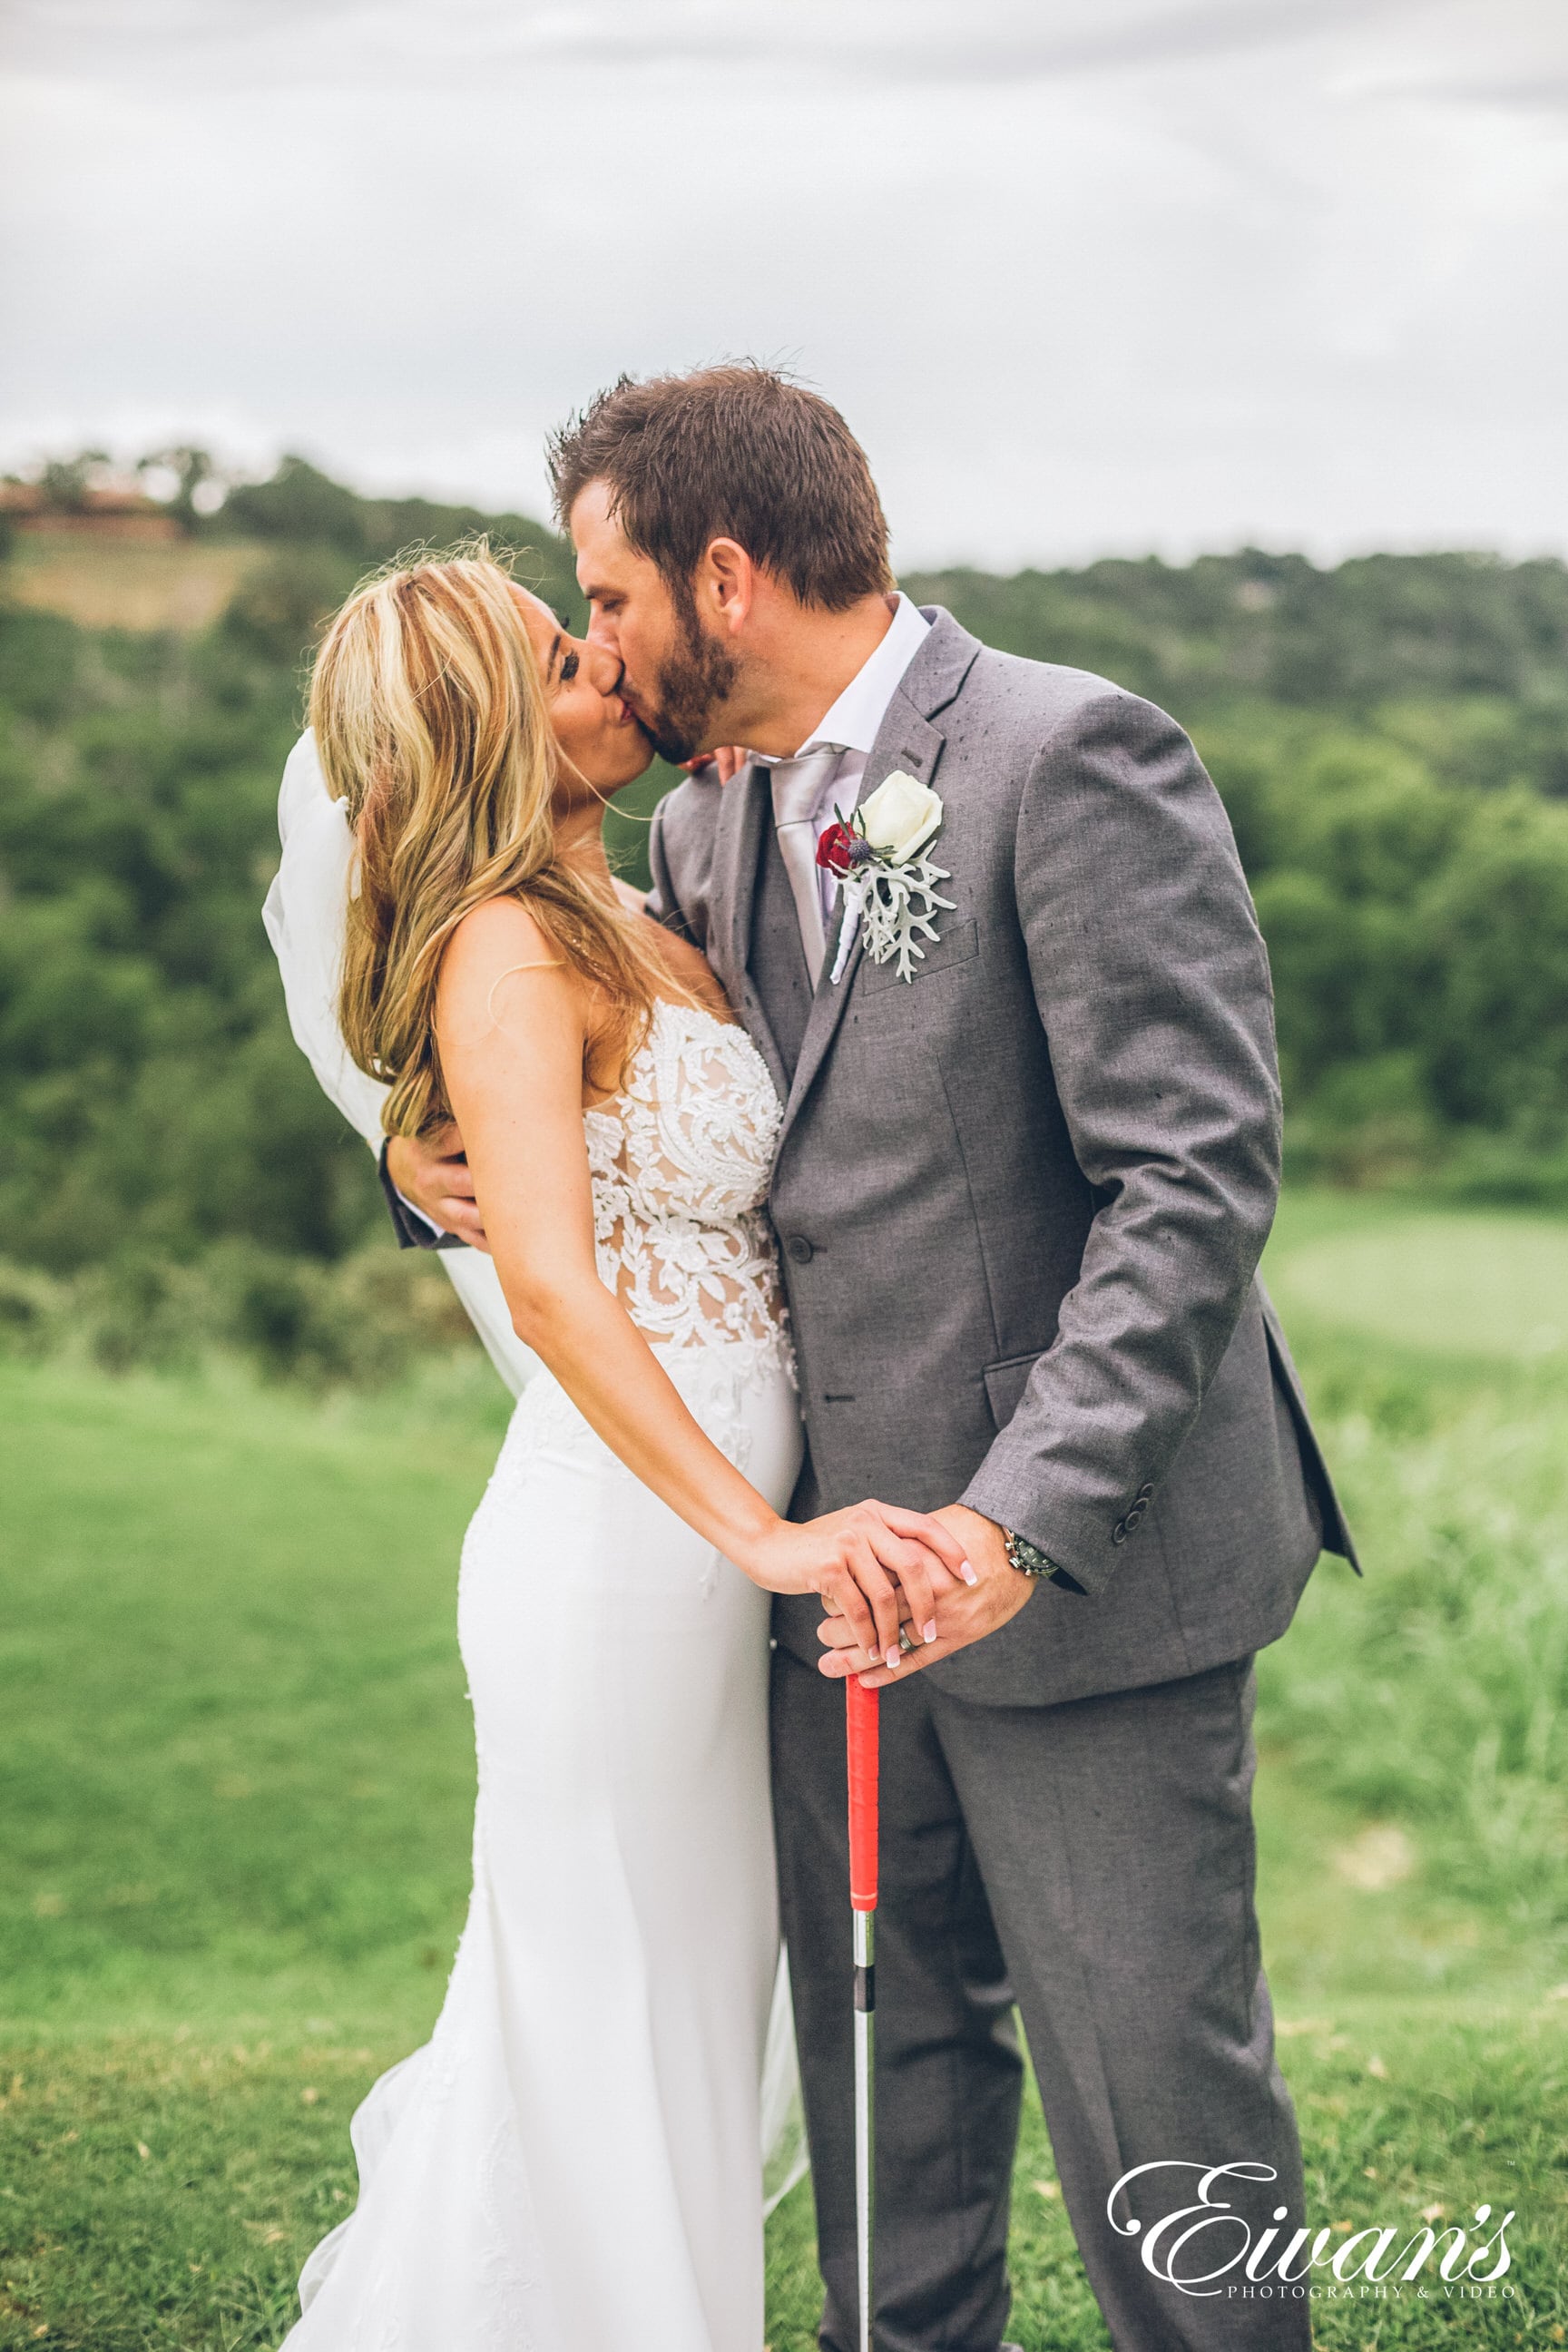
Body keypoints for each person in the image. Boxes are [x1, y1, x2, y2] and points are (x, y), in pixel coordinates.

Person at [270, 552, 965, 2352]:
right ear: (506, 726)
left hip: (692, 1554)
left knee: (681, 2009)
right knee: (612, 2018)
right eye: (567, 661)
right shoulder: (505, 944)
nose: (612, 669)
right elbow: (570, 1303)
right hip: (621, 1561)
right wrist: (774, 1541)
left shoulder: (645, 907)